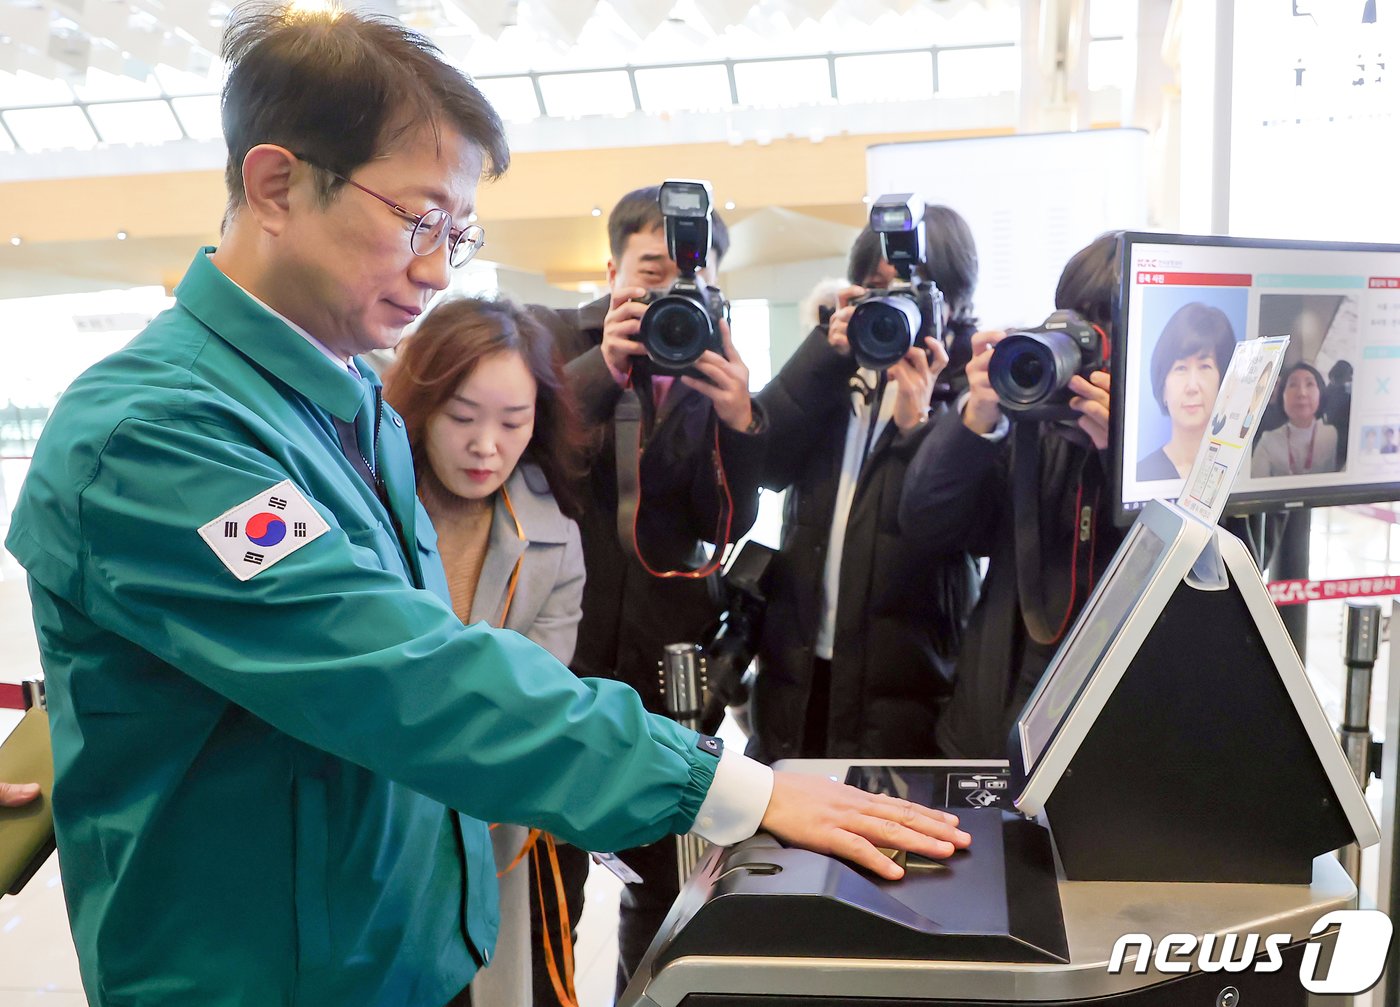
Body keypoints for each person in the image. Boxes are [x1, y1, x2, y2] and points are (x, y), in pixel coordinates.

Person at [2, 10, 967, 1007]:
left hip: (402, 947)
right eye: (419, 220)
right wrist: (729, 786)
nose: (436, 266)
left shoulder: (348, 406)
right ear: (277, 184)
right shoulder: (158, 433)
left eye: (457, 235)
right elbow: (401, 672)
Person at [527, 185, 769, 999]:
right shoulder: (557, 344)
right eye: (652, 271)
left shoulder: (712, 351)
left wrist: (739, 416)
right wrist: (608, 366)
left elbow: (725, 515)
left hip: (673, 651)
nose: (672, 294)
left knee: (666, 876)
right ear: (612, 267)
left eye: (688, 276)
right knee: (548, 876)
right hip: (567, 645)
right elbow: (534, 454)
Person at [381, 297, 587, 1006]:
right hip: (375, 836)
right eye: (462, 418)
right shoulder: (368, 514)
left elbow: (538, 698)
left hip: (491, 831)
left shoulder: (555, 538)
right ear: (421, 407)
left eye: (513, 421)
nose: (486, 447)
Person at [744, 205, 980, 765]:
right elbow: (767, 464)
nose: (892, 308)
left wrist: (918, 425)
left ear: (953, 299)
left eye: (910, 293)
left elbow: (948, 527)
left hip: (903, 688)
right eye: (876, 290)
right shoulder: (832, 369)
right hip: (803, 666)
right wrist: (821, 357)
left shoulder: (974, 397)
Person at [898, 232, 1122, 759]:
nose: (1093, 344)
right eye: (1080, 319)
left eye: (1108, 324)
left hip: (1112, 748)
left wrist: (1126, 458)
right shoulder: (1032, 426)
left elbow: (1214, 579)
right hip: (994, 725)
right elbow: (926, 523)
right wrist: (976, 419)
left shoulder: (1177, 441)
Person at [1136, 302, 1238, 481]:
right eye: (1181, 368)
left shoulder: (1240, 474)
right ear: (1163, 385)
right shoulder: (1141, 476)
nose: (1192, 387)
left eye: (1205, 366)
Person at [1251, 362, 1340, 476]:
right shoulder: (1268, 441)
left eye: (1309, 384)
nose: (1302, 393)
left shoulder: (1331, 435)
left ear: (1321, 393)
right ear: (1282, 396)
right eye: (1293, 385)